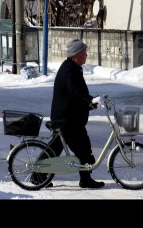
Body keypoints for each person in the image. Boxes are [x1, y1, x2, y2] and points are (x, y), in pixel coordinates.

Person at [46, 38, 105, 188]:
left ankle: (38, 176)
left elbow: (77, 94)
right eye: (84, 52)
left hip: (67, 117)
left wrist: (91, 101)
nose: (86, 55)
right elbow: (76, 92)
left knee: (58, 147)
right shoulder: (69, 70)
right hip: (67, 119)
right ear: (76, 55)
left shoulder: (73, 67)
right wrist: (89, 101)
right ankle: (85, 179)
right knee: (82, 147)